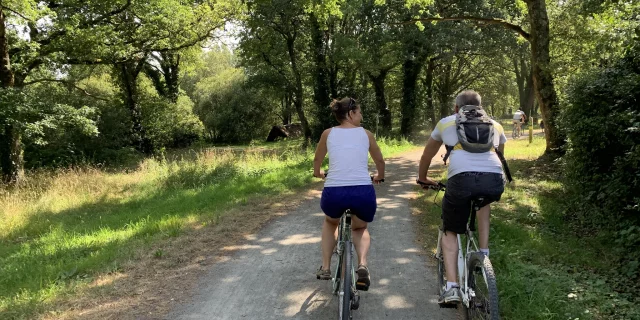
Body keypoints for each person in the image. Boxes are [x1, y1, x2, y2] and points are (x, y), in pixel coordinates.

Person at [417, 90, 506, 304]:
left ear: (457, 108)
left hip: (461, 180)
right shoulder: (496, 125)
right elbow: (500, 155)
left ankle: (452, 287)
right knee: (484, 202)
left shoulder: (447, 123)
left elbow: (427, 155)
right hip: (494, 180)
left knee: (451, 229)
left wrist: (423, 178)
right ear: (480, 107)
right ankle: (483, 255)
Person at [313, 97, 385, 291]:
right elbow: (379, 161)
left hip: (334, 191)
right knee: (359, 228)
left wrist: (318, 172)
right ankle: (362, 264)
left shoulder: (328, 133)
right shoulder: (366, 134)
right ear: (351, 113)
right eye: (359, 112)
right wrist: (379, 176)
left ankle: (326, 267)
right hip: (362, 190)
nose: (361, 116)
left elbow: (318, 159)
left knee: (331, 222)